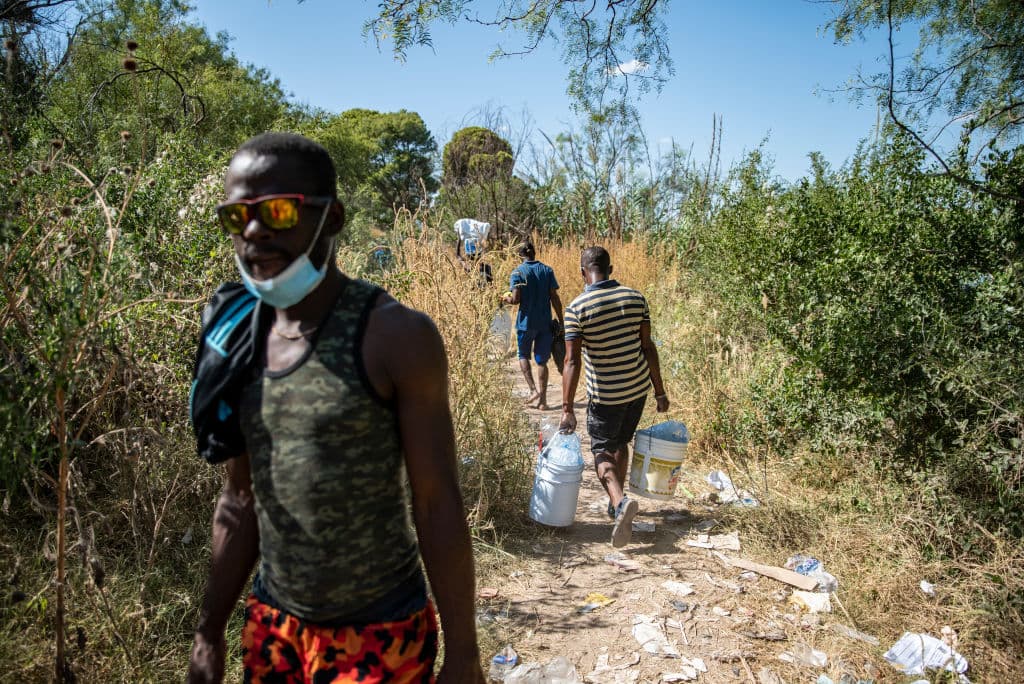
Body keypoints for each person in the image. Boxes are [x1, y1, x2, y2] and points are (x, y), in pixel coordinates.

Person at [187, 132, 485, 684]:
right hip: (274, 629)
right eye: (237, 217)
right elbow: (239, 498)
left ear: (333, 218)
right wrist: (209, 631)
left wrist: (464, 655)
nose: (254, 231)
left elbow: (436, 499)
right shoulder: (237, 338)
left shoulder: (395, 337)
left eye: (277, 211)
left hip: (379, 634)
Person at [558, 246, 670, 548]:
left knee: (603, 451)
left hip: (605, 395)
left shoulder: (577, 308)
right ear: (611, 268)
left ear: (583, 272)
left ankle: (619, 502)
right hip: (636, 389)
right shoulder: (636, 299)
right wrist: (660, 391)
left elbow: (571, 362)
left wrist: (567, 407)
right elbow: (648, 348)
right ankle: (615, 505)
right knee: (621, 442)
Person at [501, 241, 563, 410]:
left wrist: (504, 298)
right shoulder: (547, 270)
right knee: (542, 362)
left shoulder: (518, 272)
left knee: (523, 356)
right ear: (534, 252)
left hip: (525, 323)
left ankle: (533, 390)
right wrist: (561, 321)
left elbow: (515, 299)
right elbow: (555, 297)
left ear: (520, 255)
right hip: (544, 322)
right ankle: (543, 402)